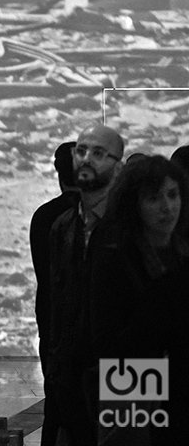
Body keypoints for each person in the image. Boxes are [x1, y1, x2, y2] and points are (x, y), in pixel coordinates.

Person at [89, 154, 189, 446]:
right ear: (136, 204)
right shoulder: (115, 254)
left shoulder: (181, 250)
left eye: (173, 195)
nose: (167, 207)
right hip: (133, 376)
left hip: (178, 380)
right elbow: (106, 338)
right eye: (154, 198)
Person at [47, 124, 125, 446]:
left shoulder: (131, 223)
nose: (86, 159)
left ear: (118, 165)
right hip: (74, 369)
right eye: (81, 151)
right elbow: (59, 299)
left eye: (98, 153)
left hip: (127, 366)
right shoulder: (64, 226)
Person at [30, 141, 78, 446]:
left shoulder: (44, 215)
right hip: (80, 326)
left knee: (57, 407)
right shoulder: (102, 217)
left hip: (52, 319)